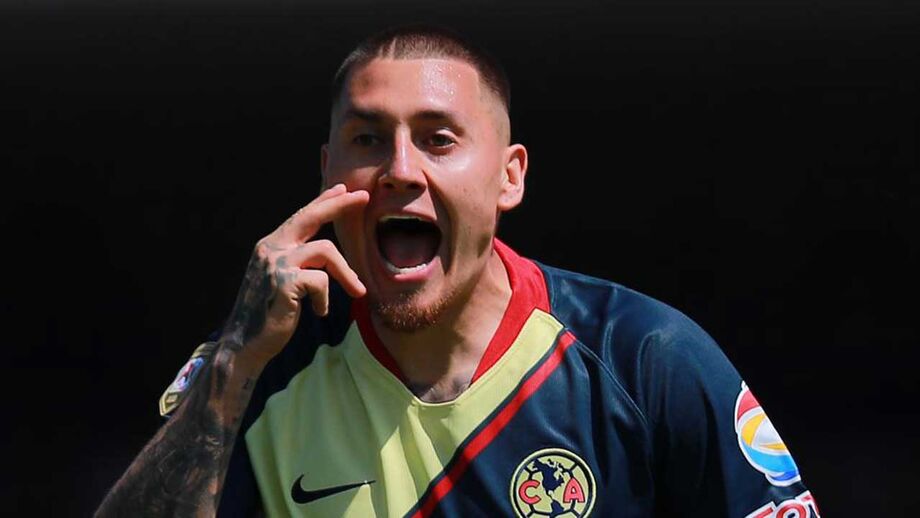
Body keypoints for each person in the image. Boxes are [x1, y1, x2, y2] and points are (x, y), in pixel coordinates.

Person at [95, 25, 818, 518]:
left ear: (510, 176)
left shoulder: (645, 359)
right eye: (367, 139)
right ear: (326, 173)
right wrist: (232, 365)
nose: (400, 170)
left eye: (438, 139)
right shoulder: (262, 369)